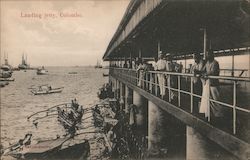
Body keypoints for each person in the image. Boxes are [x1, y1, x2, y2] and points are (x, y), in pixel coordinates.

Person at [200, 50, 224, 124]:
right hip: (208, 83)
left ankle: (219, 115)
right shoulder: (207, 63)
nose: (207, 56)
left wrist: (204, 74)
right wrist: (198, 71)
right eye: (207, 55)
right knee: (208, 99)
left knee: (215, 100)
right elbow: (203, 70)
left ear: (212, 55)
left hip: (214, 84)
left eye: (209, 54)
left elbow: (213, 72)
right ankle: (209, 115)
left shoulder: (215, 63)